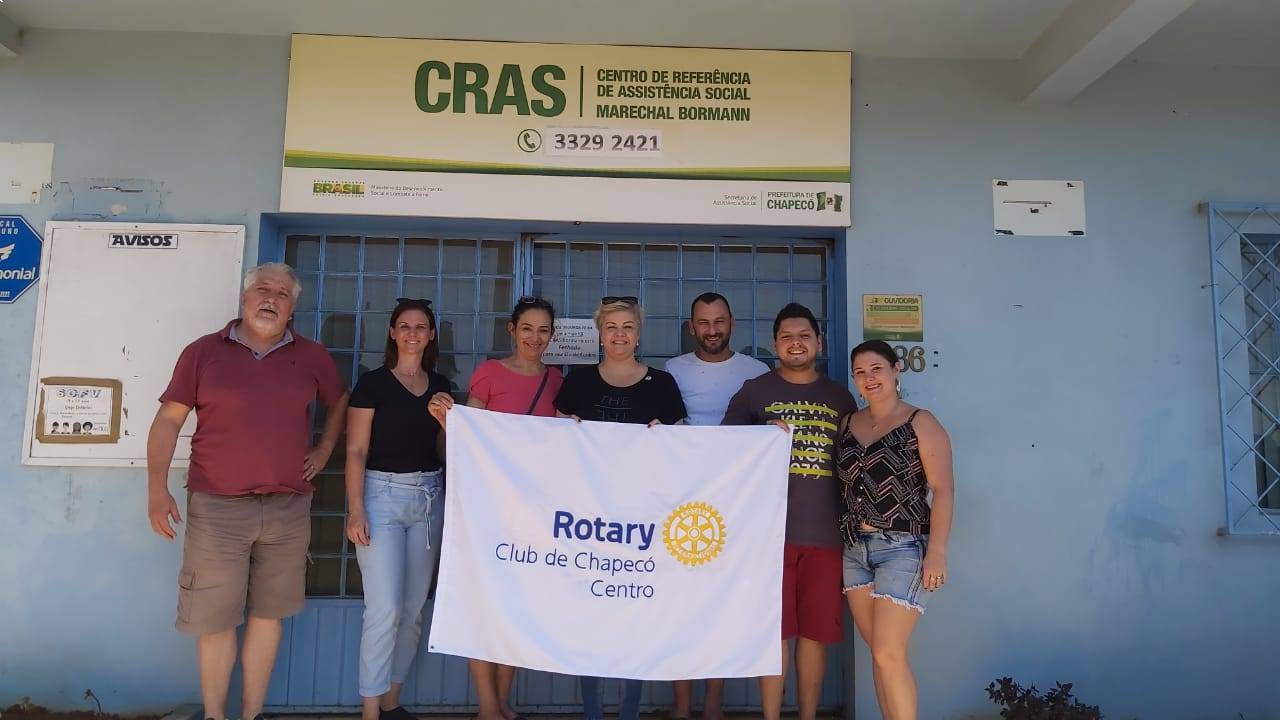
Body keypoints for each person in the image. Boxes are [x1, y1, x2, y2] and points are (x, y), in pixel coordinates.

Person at [147, 262, 349, 720]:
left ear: (292, 308)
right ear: (244, 298)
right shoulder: (203, 352)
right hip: (218, 508)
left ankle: (251, 714)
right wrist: (156, 490)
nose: (271, 299)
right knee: (214, 619)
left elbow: (339, 402)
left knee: (268, 615)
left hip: (287, 508)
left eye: (282, 294)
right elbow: (168, 420)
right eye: (263, 290)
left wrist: (325, 448)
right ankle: (216, 716)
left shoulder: (312, 356)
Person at [428, 295, 563, 720]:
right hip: (488, 509)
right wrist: (446, 422)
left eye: (543, 330)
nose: (535, 338)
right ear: (512, 330)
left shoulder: (558, 380)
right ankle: (488, 706)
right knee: (485, 605)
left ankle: (503, 702)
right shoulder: (488, 372)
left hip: (535, 511)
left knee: (521, 607)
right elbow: (469, 441)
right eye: (527, 328)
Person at [553, 296, 687, 720]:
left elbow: (684, 448)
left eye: (628, 326)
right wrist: (567, 433)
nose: (619, 335)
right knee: (590, 617)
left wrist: (664, 437)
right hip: (588, 522)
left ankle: (628, 710)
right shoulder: (577, 382)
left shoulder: (662, 385)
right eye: (611, 327)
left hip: (642, 521)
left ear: (639, 332)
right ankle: (592, 711)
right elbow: (551, 446)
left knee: (636, 616)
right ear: (599, 332)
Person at [721, 303, 856, 720]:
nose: (795, 343)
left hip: (824, 534)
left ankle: (808, 715)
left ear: (818, 342)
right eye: (786, 337)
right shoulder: (754, 391)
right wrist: (758, 436)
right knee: (774, 633)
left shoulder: (839, 395)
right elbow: (721, 452)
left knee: (814, 635)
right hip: (767, 537)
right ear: (774, 344)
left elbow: (855, 462)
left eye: (804, 336)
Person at [663, 291, 768, 720]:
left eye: (719, 321)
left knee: (720, 608)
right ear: (692, 327)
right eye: (703, 323)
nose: (712, 330)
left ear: (732, 323)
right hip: (679, 505)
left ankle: (712, 709)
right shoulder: (670, 371)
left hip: (735, 508)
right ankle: (682, 709)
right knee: (678, 608)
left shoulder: (757, 372)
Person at [344, 298, 450, 720]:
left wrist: (447, 424)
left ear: (431, 334)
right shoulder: (372, 384)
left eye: (421, 327)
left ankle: (392, 702)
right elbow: (354, 450)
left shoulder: (441, 384)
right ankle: (370, 709)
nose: (412, 333)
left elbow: (443, 452)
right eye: (404, 326)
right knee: (384, 608)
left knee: (411, 611)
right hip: (380, 497)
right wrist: (355, 510)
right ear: (392, 332)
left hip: (428, 498)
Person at [837, 340, 953, 720]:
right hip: (855, 549)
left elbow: (944, 489)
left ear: (895, 370)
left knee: (889, 652)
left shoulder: (921, 421)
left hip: (903, 547)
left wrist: (937, 551)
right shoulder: (847, 423)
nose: (869, 379)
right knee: (880, 655)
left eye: (876, 369)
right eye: (860, 372)